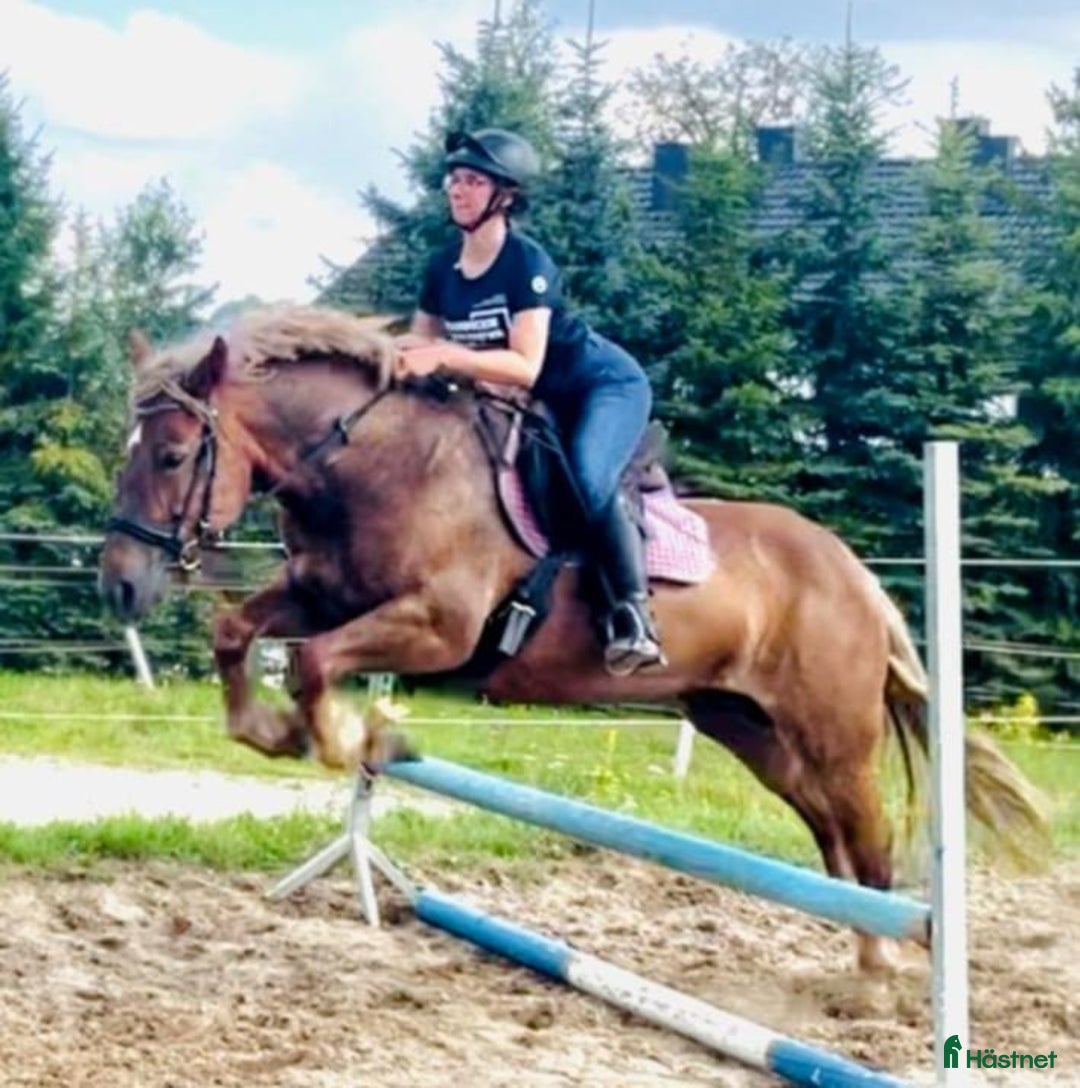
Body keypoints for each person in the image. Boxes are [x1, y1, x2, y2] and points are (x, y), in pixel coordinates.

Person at [396, 127, 665, 677]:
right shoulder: (442, 266)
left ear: (506, 196)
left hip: (600, 386)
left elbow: (524, 366)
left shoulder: (526, 263)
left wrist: (443, 353)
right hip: (525, 397)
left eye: (473, 181)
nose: (457, 190)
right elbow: (419, 343)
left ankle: (633, 616)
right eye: (454, 179)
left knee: (589, 477)